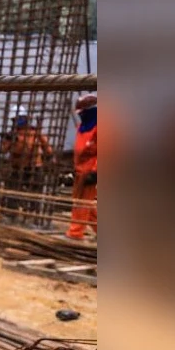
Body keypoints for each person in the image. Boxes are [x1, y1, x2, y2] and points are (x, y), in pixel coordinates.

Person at [0, 105, 55, 197]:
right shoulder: (11, 134)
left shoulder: (34, 132)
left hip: (34, 168)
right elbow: (3, 151)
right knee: (13, 196)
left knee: (35, 195)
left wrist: (50, 157)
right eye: (14, 119)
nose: (17, 121)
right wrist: (10, 141)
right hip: (17, 169)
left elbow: (47, 148)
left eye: (19, 118)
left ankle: (33, 210)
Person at [66, 94, 98, 240]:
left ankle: (75, 234)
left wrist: (95, 172)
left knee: (81, 204)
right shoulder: (82, 127)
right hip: (80, 170)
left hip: (91, 171)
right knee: (85, 204)